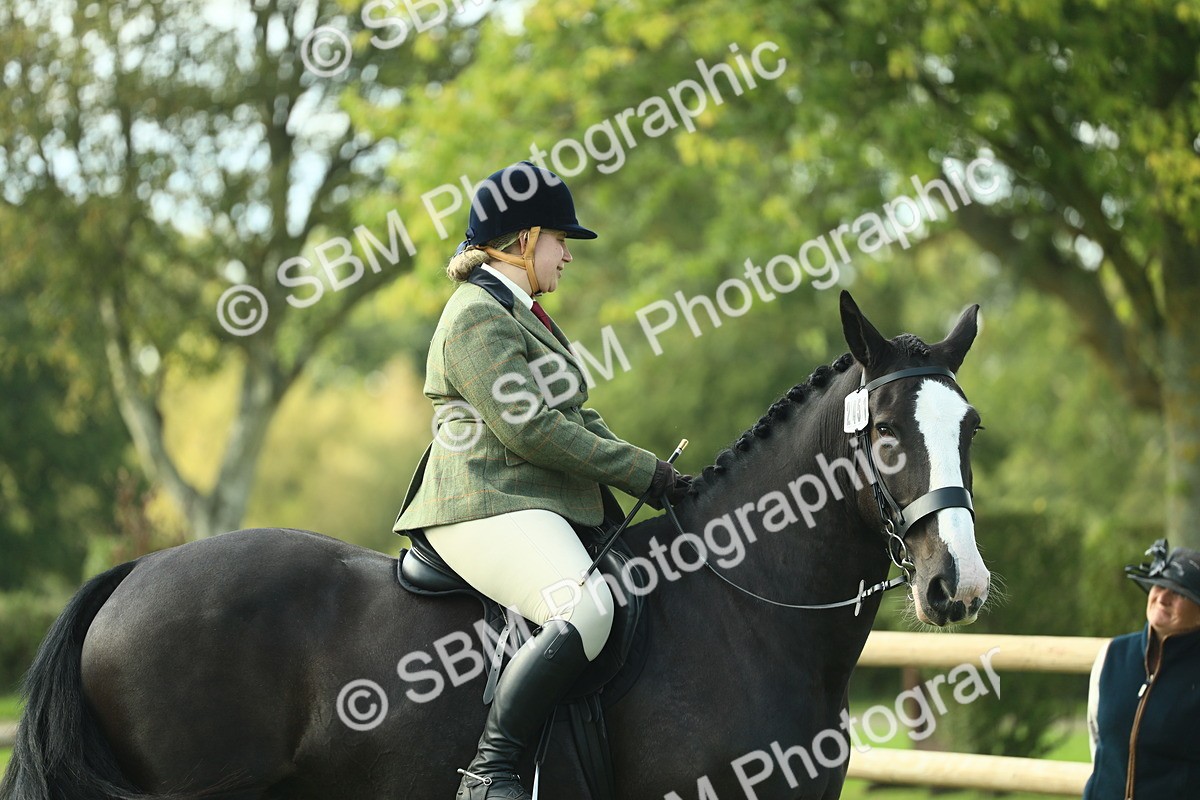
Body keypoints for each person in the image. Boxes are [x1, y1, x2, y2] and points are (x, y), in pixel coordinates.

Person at [392, 161, 690, 800]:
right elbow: (530, 429)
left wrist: (659, 473)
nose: (568, 256)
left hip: (526, 502)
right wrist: (639, 471)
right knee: (585, 607)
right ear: (525, 240)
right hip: (481, 503)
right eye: (561, 240)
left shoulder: (522, 313)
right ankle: (490, 771)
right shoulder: (476, 315)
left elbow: (578, 416)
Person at [1083, 539, 1200, 800]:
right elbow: (1098, 739)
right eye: (1160, 585)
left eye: (1180, 593)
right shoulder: (1113, 655)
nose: (1163, 598)